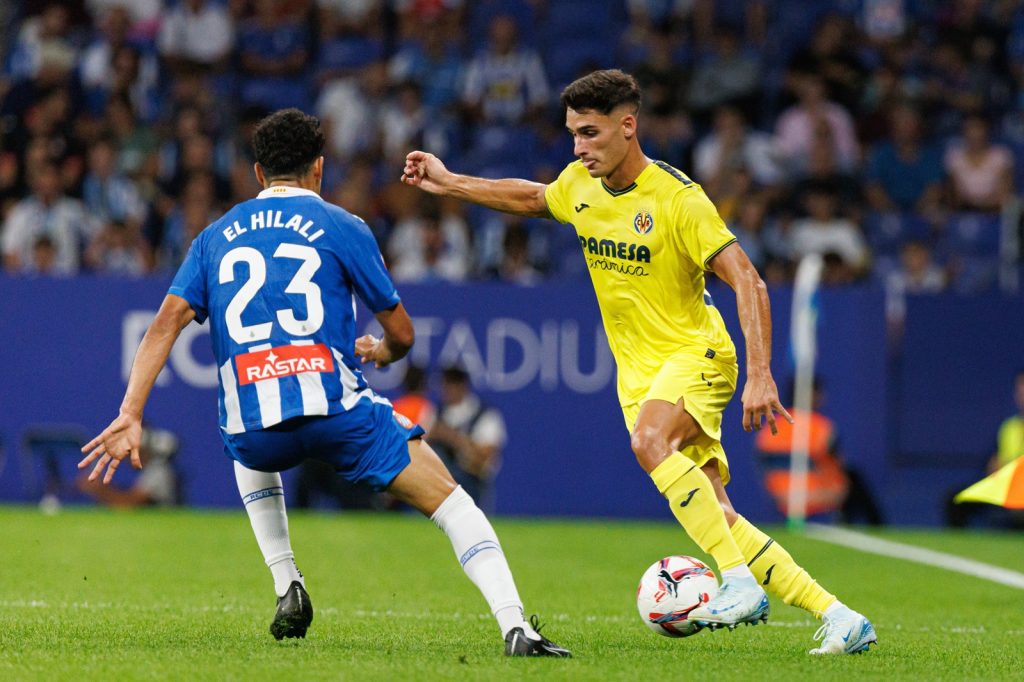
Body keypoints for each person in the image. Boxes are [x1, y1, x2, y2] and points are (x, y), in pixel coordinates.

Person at [402, 69, 876, 655]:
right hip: (640, 375)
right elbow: (531, 197)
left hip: (697, 353)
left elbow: (748, 281)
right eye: (574, 134)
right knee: (718, 514)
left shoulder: (679, 199)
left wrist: (760, 373)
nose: (578, 147)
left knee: (650, 442)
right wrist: (450, 183)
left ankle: (739, 583)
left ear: (628, 127)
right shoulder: (580, 183)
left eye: (591, 134)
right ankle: (838, 616)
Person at [78, 109, 568, 658]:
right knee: (454, 505)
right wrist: (382, 352)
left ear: (259, 173)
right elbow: (401, 334)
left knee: (244, 433)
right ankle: (516, 628)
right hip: (339, 414)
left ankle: (287, 582)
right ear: (319, 167)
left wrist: (131, 412)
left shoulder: (214, 237)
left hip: (258, 428)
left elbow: (164, 324)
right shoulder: (344, 226)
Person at [429, 365, 507, 511]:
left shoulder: (485, 415)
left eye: (450, 384)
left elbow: (483, 462)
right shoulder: (435, 412)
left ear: (461, 386)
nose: (445, 390)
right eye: (444, 384)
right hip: (437, 487)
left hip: (471, 486)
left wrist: (453, 438)